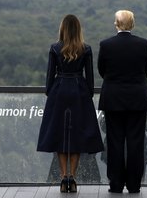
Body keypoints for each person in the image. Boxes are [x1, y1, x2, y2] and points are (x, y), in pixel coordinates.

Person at [37, 14, 104, 193]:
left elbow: (49, 77)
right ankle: (72, 179)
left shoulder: (54, 48)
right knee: (76, 137)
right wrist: (86, 94)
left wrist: (51, 94)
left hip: (59, 92)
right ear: (78, 29)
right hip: (79, 92)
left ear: (63, 29)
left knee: (60, 135)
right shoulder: (86, 49)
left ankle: (63, 177)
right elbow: (90, 79)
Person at [97, 10, 147, 193]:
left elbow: (102, 70)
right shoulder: (143, 44)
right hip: (137, 99)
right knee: (136, 143)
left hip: (113, 100)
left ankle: (116, 184)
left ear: (116, 24)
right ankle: (134, 184)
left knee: (114, 142)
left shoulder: (106, 45)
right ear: (133, 24)